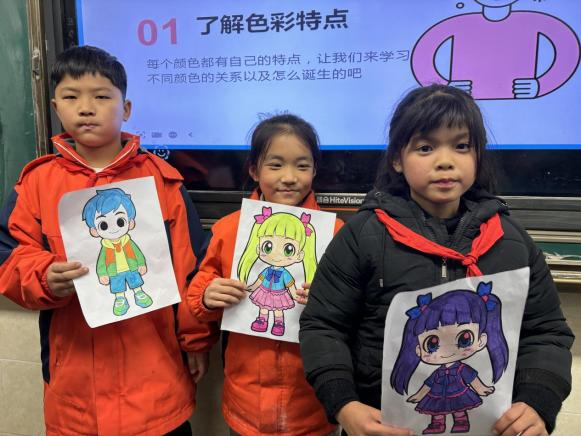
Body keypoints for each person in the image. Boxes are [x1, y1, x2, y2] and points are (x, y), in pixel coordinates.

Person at [300, 84, 573, 436]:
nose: (445, 160)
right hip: (384, 428)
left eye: (461, 146)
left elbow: (546, 333)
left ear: (478, 155)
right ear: (397, 159)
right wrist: (344, 405)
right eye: (426, 147)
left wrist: (538, 399)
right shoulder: (362, 235)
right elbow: (324, 326)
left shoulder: (511, 241)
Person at [0, 45, 214, 435]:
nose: (86, 108)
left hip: (156, 383)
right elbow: (10, 257)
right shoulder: (35, 184)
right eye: (71, 97)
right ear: (55, 107)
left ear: (126, 108)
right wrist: (45, 276)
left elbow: (189, 267)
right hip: (76, 392)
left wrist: (195, 339)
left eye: (101, 97)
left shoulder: (162, 181)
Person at [187, 114, 343, 435]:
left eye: (302, 166)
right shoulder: (228, 230)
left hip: (313, 401)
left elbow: (357, 305)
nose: (289, 177)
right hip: (246, 400)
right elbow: (199, 288)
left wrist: (332, 301)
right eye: (275, 165)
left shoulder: (335, 234)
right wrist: (207, 296)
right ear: (254, 170)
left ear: (315, 170)